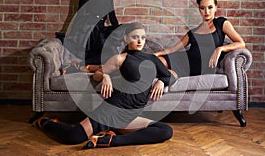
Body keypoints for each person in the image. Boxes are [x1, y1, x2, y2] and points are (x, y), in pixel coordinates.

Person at [36, 22, 175, 148]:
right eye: (135, 37)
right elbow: (97, 74)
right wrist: (106, 76)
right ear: (126, 38)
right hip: (112, 109)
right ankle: (45, 122)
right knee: (74, 136)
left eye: (143, 38)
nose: (140, 41)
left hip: (131, 114)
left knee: (165, 131)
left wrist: (162, 81)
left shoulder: (152, 59)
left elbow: (171, 74)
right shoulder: (120, 58)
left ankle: (109, 140)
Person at [155, 0, 246, 77]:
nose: (206, 12)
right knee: (154, 62)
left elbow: (241, 43)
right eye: (203, 8)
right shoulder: (193, 32)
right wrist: (157, 54)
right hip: (183, 60)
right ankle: (167, 76)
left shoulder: (221, 23)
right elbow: (173, 49)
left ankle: (166, 76)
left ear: (216, 8)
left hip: (200, 67)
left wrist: (220, 49)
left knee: (155, 68)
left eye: (210, 7)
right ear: (199, 10)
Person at [63, 0, 120, 74]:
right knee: (105, 52)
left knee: (111, 54)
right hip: (89, 30)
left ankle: (79, 67)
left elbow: (112, 18)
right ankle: (78, 67)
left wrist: (118, 32)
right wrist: (73, 34)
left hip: (102, 30)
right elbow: (79, 15)